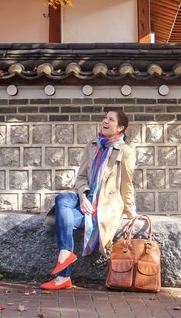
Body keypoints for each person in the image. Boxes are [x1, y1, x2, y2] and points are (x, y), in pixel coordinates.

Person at [40, 108, 137, 290]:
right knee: (62, 199)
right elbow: (81, 177)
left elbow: (127, 183)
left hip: (103, 204)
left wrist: (131, 212)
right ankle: (65, 252)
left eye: (110, 119)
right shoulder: (92, 144)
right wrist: (83, 197)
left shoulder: (125, 151)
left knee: (65, 220)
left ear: (120, 127)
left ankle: (64, 276)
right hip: (86, 196)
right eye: (104, 118)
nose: (105, 121)